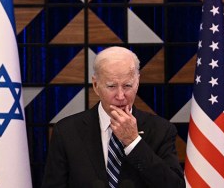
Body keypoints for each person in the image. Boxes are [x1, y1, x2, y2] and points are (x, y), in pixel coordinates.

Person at [41, 46, 185, 188]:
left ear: (137, 83)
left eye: (127, 85)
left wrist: (133, 142)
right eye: (111, 86)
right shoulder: (66, 131)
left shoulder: (161, 130)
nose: (121, 96)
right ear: (96, 85)